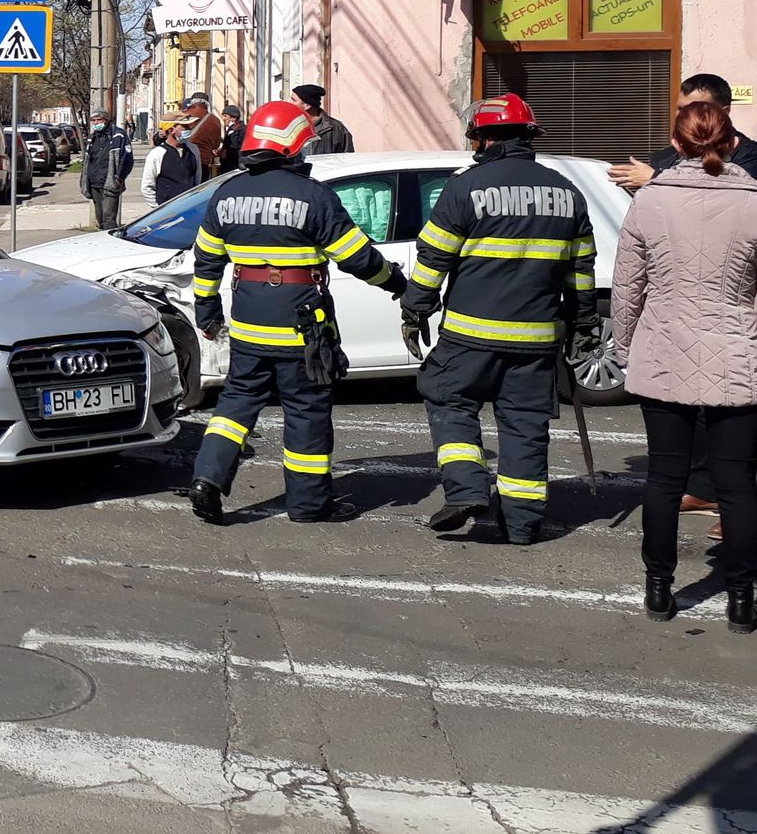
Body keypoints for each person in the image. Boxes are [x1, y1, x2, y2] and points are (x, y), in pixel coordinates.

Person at [187, 100, 407, 524]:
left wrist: (206, 307)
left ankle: (207, 480)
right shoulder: (313, 196)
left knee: (235, 406)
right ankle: (307, 505)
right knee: (306, 412)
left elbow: (206, 259)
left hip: (249, 324)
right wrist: (399, 285)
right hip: (301, 327)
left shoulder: (227, 193)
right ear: (289, 148)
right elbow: (357, 257)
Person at [400, 94, 597, 547]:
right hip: (537, 338)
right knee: (526, 425)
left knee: (449, 402)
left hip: (470, 335)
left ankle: (467, 490)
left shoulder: (464, 188)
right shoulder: (566, 192)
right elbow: (581, 270)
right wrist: (583, 326)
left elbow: (433, 259)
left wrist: (415, 309)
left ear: (484, 138)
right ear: (529, 136)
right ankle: (524, 524)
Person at [611, 100, 757, 630]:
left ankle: (658, 588)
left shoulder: (649, 202)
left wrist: (625, 347)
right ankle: (742, 597)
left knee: (664, 478)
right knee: (737, 483)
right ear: (731, 141)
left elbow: (629, 286)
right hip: (739, 352)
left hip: (665, 350)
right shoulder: (753, 200)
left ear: (676, 144)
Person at [609, 73, 757, 192]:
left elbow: (723, 199)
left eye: (695, 109)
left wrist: (656, 179)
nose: (684, 116)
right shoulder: (667, 157)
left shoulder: (750, 157)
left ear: (725, 112)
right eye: (680, 108)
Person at [82, 111, 135, 229]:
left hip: (110, 183)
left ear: (106, 120)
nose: (96, 123)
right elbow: (88, 160)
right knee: (100, 219)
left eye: (99, 120)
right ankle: (101, 241)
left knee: (108, 219)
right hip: (94, 183)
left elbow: (127, 159)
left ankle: (111, 243)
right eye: (94, 120)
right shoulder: (93, 138)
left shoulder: (118, 135)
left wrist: (119, 178)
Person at [141, 120, 199, 206]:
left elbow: (197, 177)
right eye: (184, 127)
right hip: (166, 209)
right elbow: (147, 186)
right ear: (171, 130)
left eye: (189, 127)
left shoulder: (193, 149)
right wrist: (157, 208)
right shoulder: (157, 154)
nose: (188, 130)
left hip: (189, 206)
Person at [292, 84, 354, 155]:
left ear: (307, 105)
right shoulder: (286, 126)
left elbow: (347, 158)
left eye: (293, 100)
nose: (289, 102)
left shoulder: (336, 129)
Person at [181, 94, 223, 180]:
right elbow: (216, 144)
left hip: (186, 157)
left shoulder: (185, 116)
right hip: (205, 160)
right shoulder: (214, 120)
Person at [219, 104, 245, 173]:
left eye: (225, 116)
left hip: (235, 168)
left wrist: (227, 153)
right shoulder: (230, 129)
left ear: (233, 118)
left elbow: (240, 149)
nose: (223, 119)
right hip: (227, 167)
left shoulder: (242, 130)